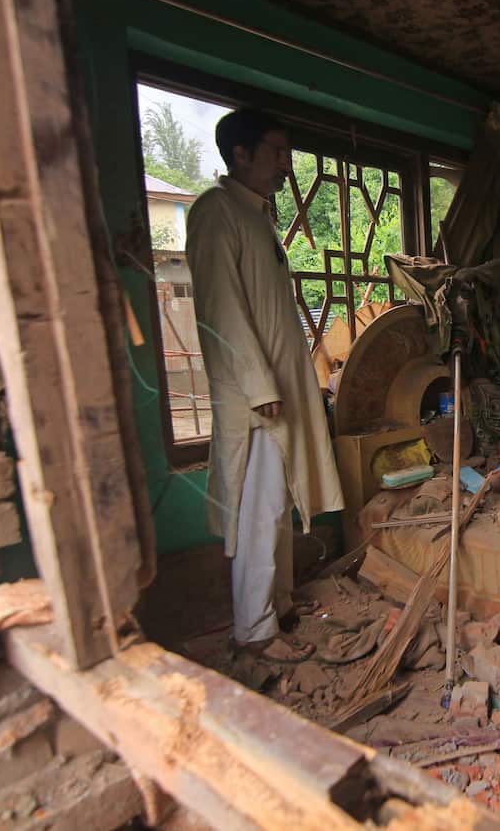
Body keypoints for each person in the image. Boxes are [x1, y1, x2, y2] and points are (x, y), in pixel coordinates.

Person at [186, 109, 343, 661]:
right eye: (276, 151)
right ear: (240, 154)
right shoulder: (216, 211)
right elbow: (223, 309)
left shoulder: (257, 216)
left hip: (280, 389)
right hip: (256, 399)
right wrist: (258, 387)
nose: (286, 163)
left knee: (278, 504)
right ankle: (253, 630)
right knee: (260, 510)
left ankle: (278, 604)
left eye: (286, 152)